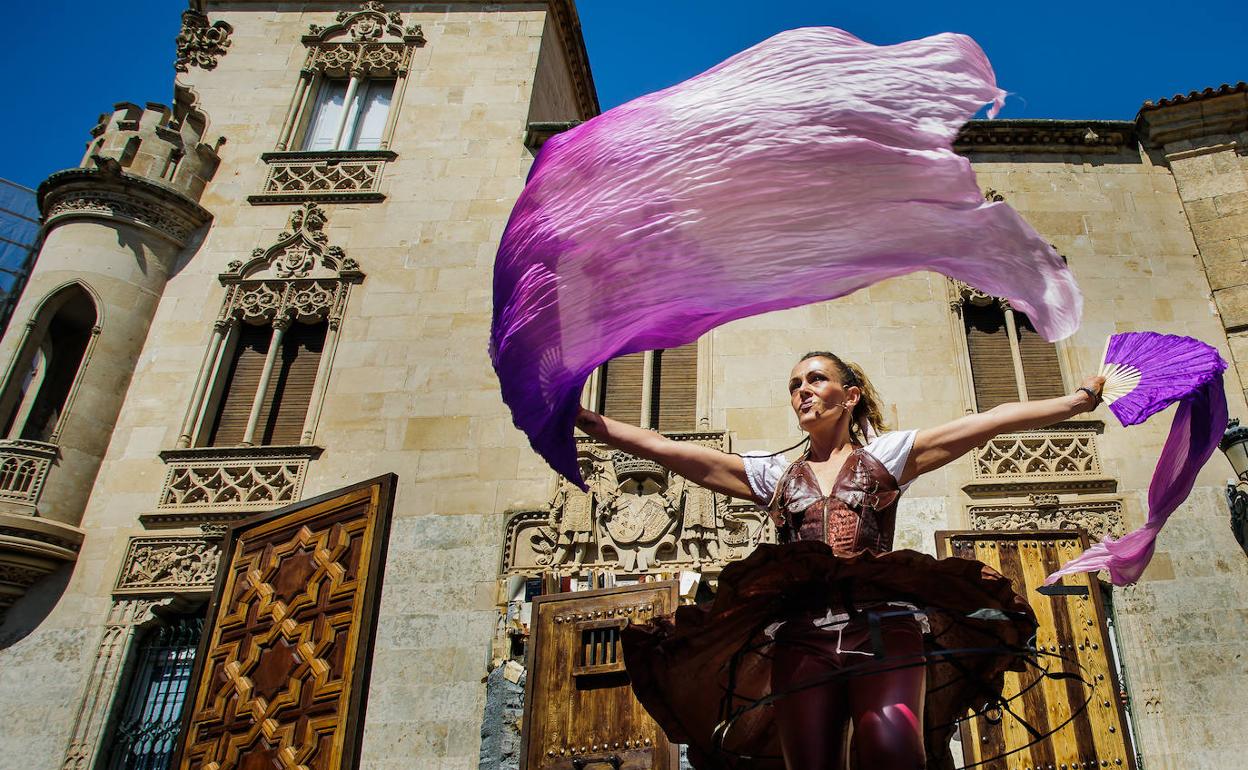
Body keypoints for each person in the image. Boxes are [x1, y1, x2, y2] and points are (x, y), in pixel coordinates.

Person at [575, 351, 1105, 770]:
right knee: (810, 763)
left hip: (884, 627)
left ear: (850, 396)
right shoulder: (774, 474)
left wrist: (1076, 402)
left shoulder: (887, 457)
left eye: (815, 380)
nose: (802, 391)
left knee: (893, 754)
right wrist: (586, 421)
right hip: (802, 635)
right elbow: (667, 450)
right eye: (794, 385)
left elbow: (987, 421)